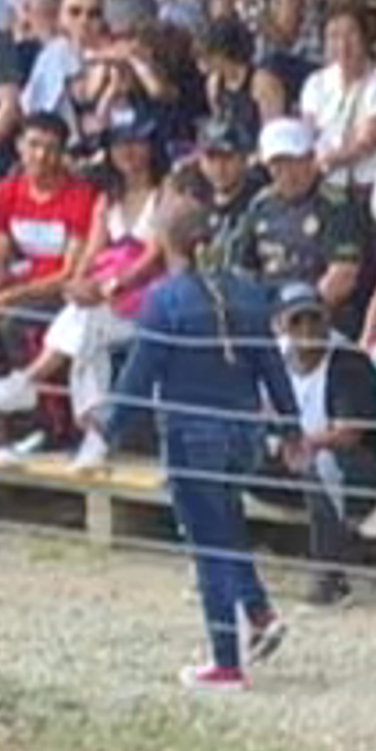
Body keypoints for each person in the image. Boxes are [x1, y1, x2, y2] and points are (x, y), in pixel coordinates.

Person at [125, 178, 291, 692]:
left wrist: (106, 429)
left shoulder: (164, 300)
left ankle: (225, 662)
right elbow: (272, 367)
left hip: (192, 435)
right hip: (244, 434)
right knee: (226, 522)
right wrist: (291, 427)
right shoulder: (248, 293)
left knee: (208, 543)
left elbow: (138, 376)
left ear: (166, 241)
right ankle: (259, 612)